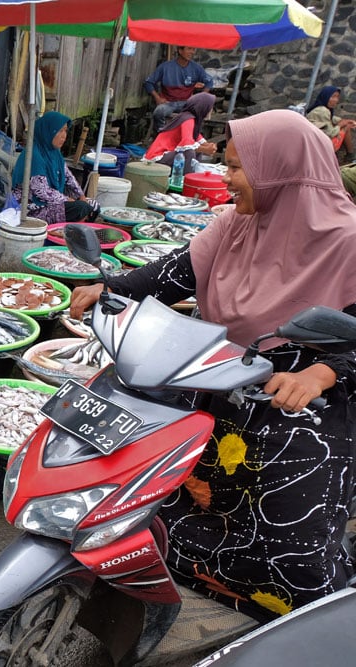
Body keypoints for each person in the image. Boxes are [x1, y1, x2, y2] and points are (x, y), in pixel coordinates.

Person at [69, 109, 356, 620]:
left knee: (290, 540)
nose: (227, 179)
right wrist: (108, 288)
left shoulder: (349, 242)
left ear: (279, 174)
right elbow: (173, 274)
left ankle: (309, 621)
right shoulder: (235, 223)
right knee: (163, 497)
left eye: (238, 168)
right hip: (224, 379)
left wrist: (323, 372)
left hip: (304, 402)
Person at [11, 111, 99, 224]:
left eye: (65, 131)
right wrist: (68, 200)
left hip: (52, 201)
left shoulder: (55, 153)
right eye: (60, 131)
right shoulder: (33, 154)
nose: (64, 136)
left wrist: (81, 195)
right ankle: (68, 234)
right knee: (81, 208)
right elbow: (41, 191)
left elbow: (68, 176)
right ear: (48, 131)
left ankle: (77, 232)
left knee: (93, 206)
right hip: (31, 208)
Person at [144, 46, 214, 134]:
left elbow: (209, 82)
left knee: (200, 114)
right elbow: (148, 82)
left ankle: (192, 138)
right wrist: (157, 98)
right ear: (180, 51)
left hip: (187, 103)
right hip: (168, 102)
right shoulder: (165, 67)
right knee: (159, 112)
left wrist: (201, 97)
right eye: (189, 49)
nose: (192, 52)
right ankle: (160, 135)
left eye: (193, 49)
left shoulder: (196, 68)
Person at [144, 92, 219, 170]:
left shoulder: (191, 119)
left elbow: (198, 140)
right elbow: (187, 144)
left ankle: (191, 175)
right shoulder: (188, 119)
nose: (211, 110)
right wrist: (206, 149)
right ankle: (186, 179)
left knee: (196, 150)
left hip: (169, 154)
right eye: (210, 107)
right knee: (189, 153)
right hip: (158, 156)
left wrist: (210, 146)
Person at [306, 85, 356, 163]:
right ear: (325, 97)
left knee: (345, 124)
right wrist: (340, 125)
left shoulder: (321, 108)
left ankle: (350, 155)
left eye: (337, 97)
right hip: (319, 145)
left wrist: (343, 121)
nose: (336, 100)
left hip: (316, 141)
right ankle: (350, 155)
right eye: (333, 97)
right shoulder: (322, 111)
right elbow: (331, 133)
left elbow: (331, 118)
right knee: (346, 127)